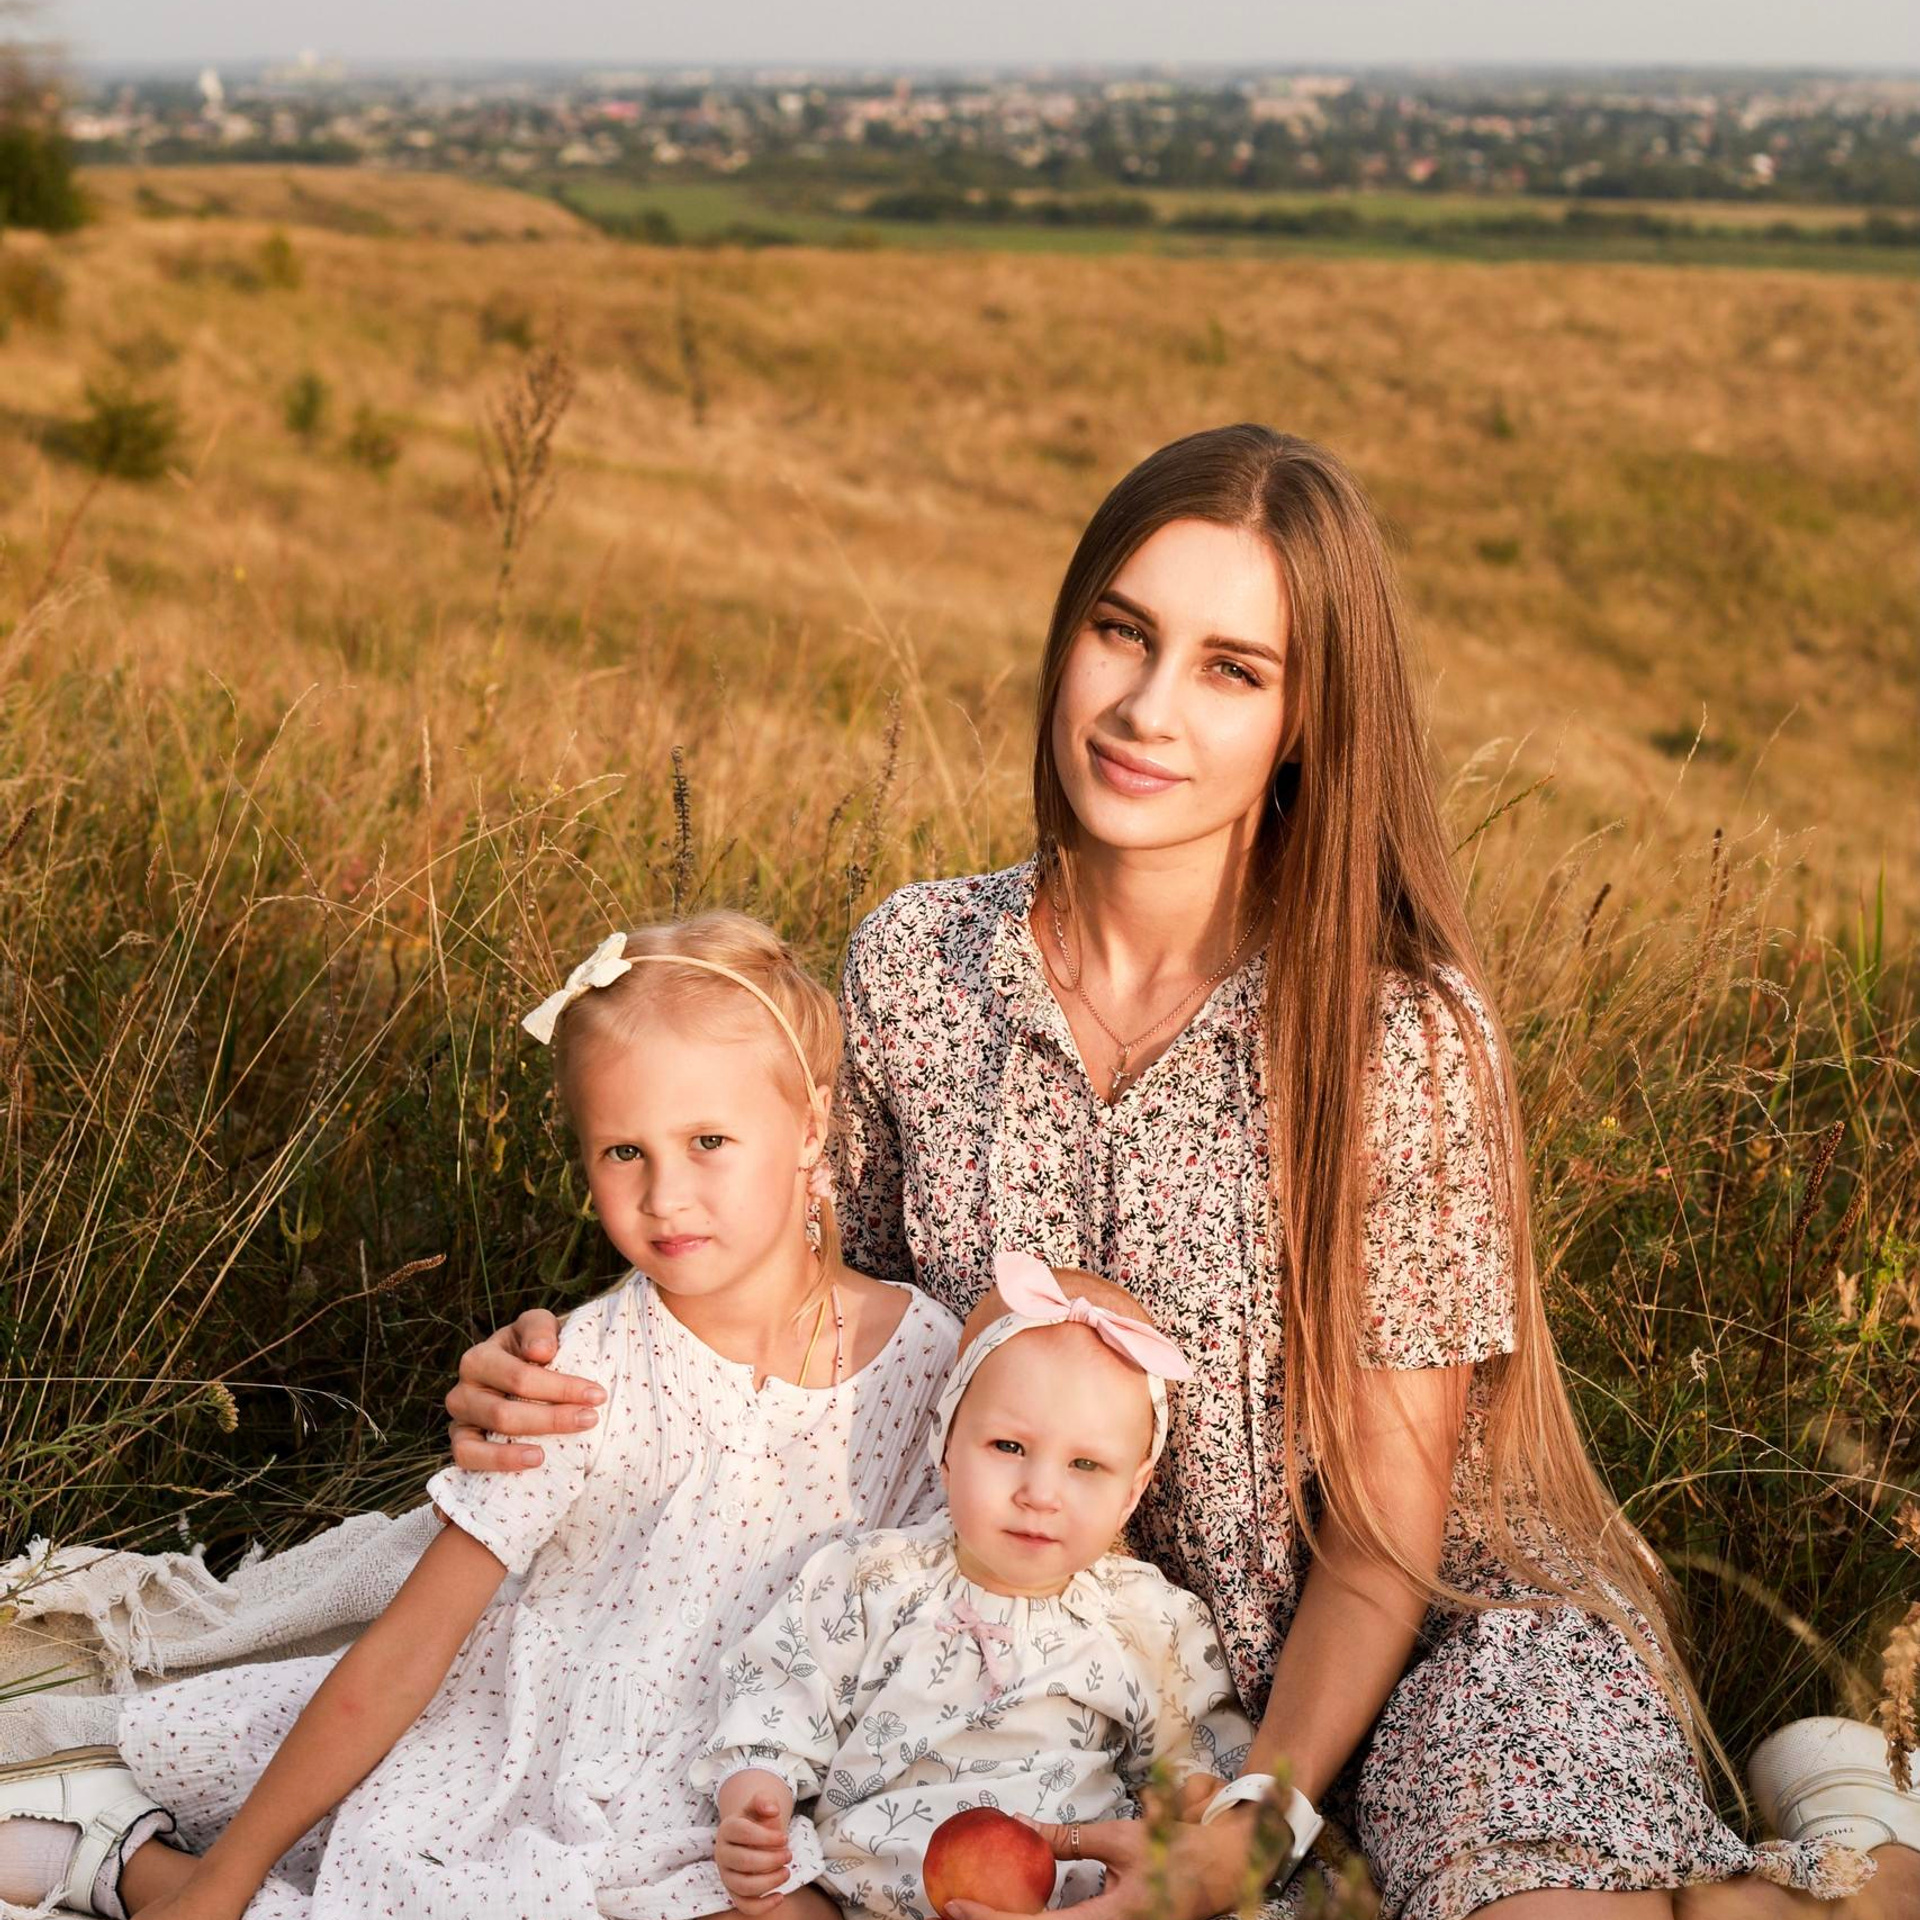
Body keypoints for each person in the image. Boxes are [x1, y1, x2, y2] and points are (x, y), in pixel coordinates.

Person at [447, 427, 1920, 1919]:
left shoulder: (1393, 1030)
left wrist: (1257, 1813)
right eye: (1122, 633)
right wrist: (570, 1372)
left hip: (1416, 1636)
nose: (1148, 709)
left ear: (1307, 719)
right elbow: (809, 1325)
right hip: (1052, 1667)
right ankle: (1830, 1788)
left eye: (1233, 668)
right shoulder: (920, 964)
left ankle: (1861, 1834)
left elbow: (1392, 1536)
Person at [0, 913, 959, 1920]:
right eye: (622, 1151)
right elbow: (413, 1642)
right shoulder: (578, 1374)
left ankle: (124, 1861)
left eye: (710, 1141)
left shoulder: (925, 1362)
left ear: (809, 1126)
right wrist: (230, 1879)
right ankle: (142, 1868)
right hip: (539, 1761)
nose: (667, 1195)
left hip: (743, 1786)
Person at [691, 1252, 1263, 1920]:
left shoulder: (1147, 1620)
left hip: (1059, 1904)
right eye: (1008, 1448)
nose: (1040, 1493)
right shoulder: (871, 1577)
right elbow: (777, 1703)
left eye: (1085, 1465)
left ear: (1132, 1493)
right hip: (856, 1895)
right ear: (946, 1441)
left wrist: (1192, 1803)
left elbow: (1197, 1754)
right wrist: (755, 1807)